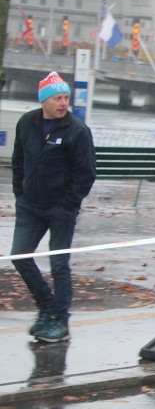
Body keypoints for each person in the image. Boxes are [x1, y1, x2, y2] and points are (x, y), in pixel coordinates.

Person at [12, 72, 96, 344]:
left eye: (66, 98)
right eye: (57, 98)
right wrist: (20, 193)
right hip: (30, 206)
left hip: (61, 209)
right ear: (44, 101)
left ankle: (60, 320)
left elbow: (86, 173)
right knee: (19, 256)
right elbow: (18, 160)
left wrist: (68, 205)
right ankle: (46, 308)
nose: (63, 103)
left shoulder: (77, 130)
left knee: (59, 265)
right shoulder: (26, 122)